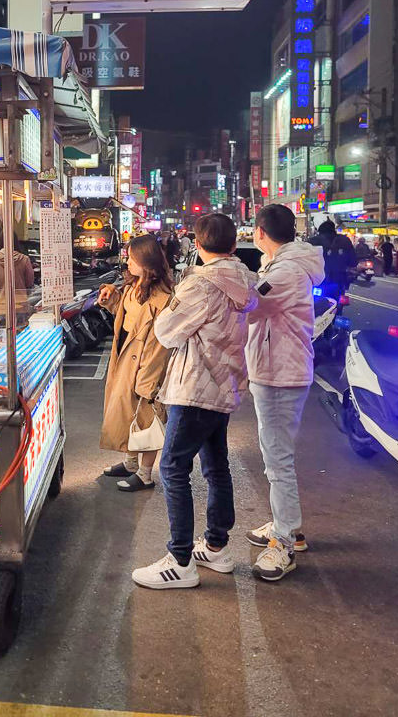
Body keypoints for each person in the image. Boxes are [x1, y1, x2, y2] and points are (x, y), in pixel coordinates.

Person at [132, 213, 256, 590]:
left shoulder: (200, 285)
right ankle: (216, 546)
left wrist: (173, 307)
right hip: (225, 384)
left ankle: (180, 559)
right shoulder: (247, 280)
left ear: (198, 246)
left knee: (172, 467)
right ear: (234, 245)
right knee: (216, 465)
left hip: (196, 387)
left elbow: (167, 332)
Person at [245, 204, 325, 581]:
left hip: (280, 373)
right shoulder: (284, 266)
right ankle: (286, 523)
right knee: (276, 455)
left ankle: (285, 540)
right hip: (278, 368)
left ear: (261, 231)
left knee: (278, 459)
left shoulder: (286, 271)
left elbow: (249, 306)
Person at [99, 234, 173, 491]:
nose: (127, 262)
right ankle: (130, 462)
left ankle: (145, 473)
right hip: (125, 356)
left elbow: (159, 345)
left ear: (147, 262)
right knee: (125, 413)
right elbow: (126, 315)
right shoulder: (132, 287)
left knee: (145, 417)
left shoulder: (162, 299)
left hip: (144, 363)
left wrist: (149, 380)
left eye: (132, 258)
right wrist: (112, 298)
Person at [0, 229, 35, 323]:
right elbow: (29, 283)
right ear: (16, 242)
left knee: (0, 336)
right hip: (20, 308)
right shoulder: (24, 260)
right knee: (19, 335)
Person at [309, 218, 355, 295]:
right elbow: (353, 261)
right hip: (340, 280)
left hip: (319, 280)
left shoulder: (313, 241)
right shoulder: (345, 240)